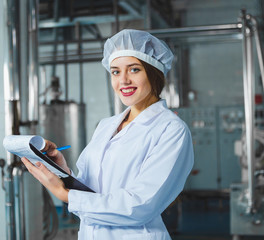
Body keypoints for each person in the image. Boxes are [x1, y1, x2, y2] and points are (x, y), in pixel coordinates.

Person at [21, 29, 194, 240]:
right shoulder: (107, 125)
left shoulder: (171, 129)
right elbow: (92, 191)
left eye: (134, 69)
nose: (123, 81)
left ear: (153, 72)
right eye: (115, 72)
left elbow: (141, 205)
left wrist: (65, 195)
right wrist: (62, 170)